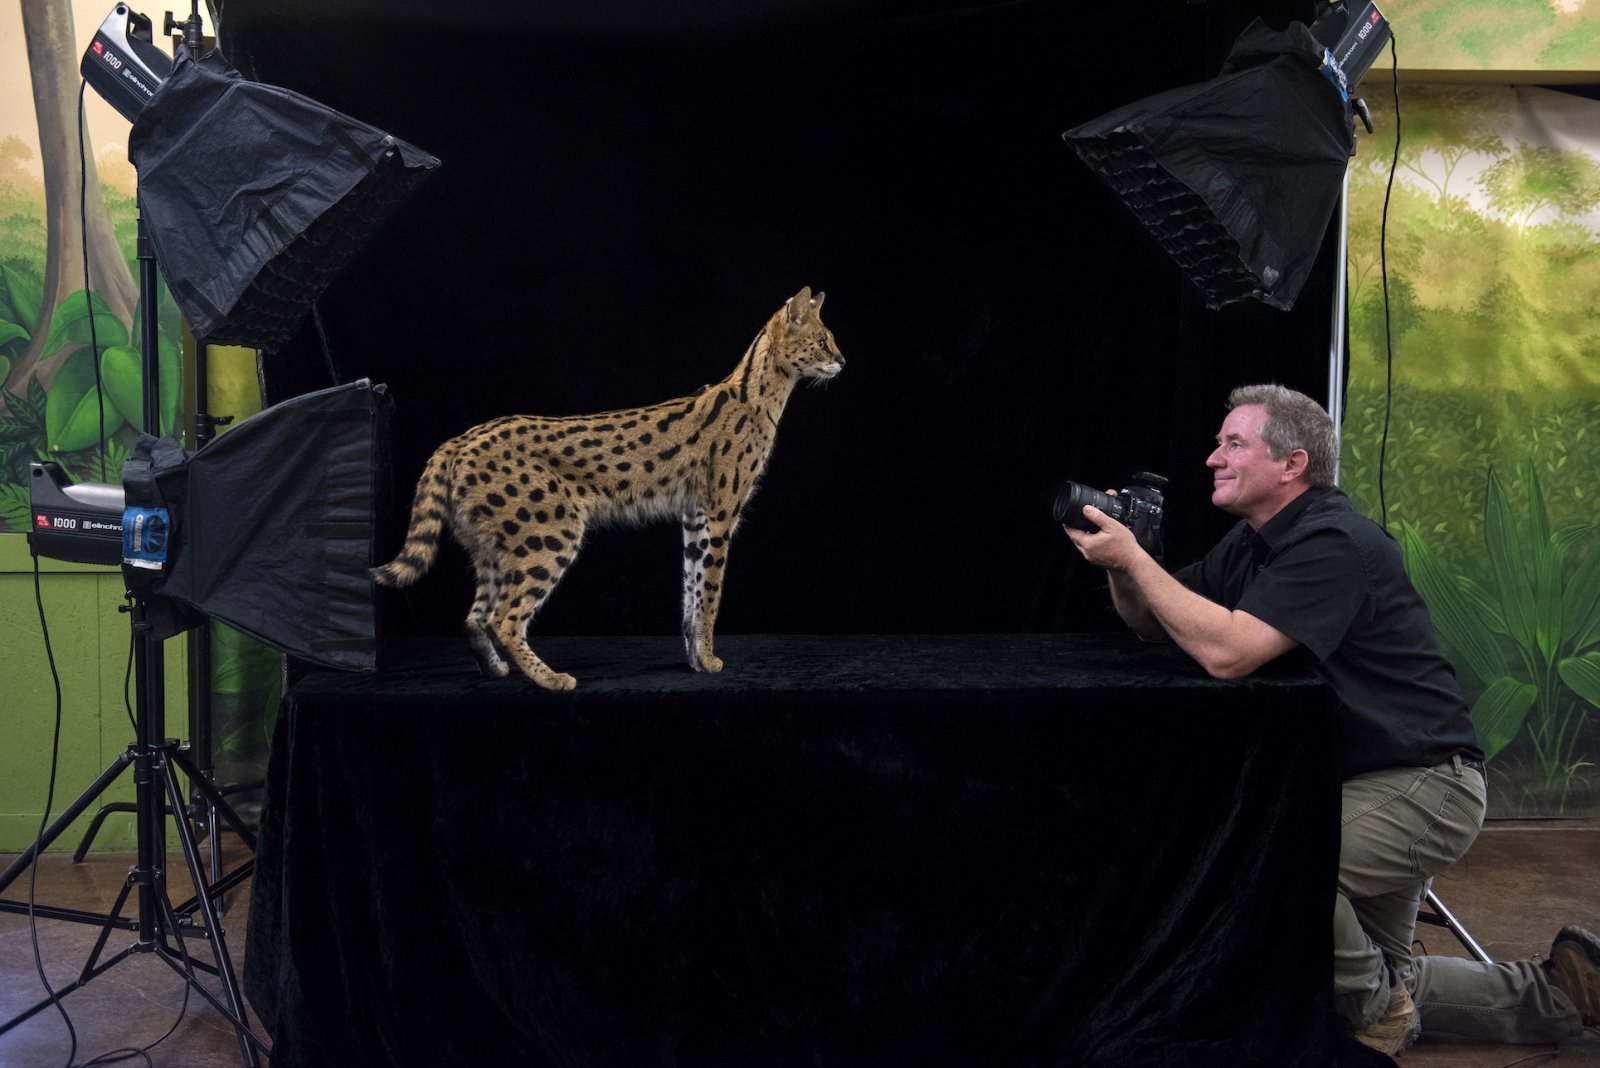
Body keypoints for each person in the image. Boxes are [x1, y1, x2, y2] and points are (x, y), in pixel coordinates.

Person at [1063, 382, 1600, 1055]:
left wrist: (1137, 560)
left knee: (1277, 864)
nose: (1211, 458)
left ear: (1292, 465)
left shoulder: (1332, 543)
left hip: (1424, 788)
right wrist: (1126, 561)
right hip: (1370, 783)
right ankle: (1562, 994)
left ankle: (1381, 1015)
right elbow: (1157, 624)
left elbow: (1227, 653)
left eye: (1234, 443)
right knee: (1365, 975)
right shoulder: (1253, 543)